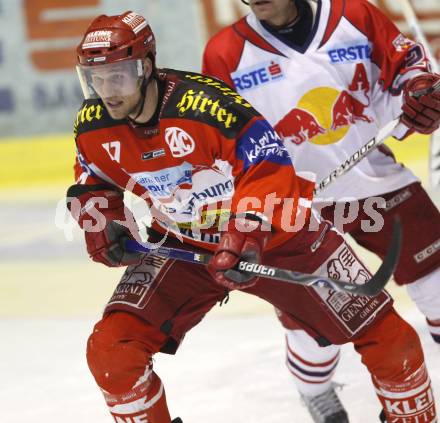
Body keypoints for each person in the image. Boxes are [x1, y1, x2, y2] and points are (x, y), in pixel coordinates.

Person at [67, 10, 437, 423]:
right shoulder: (94, 122)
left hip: (280, 239)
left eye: (117, 76)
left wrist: (247, 232)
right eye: (95, 78)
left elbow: (268, 164)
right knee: (111, 352)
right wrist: (100, 219)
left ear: (146, 66)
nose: (106, 91)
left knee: (392, 341)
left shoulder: (207, 108)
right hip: (181, 245)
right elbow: (91, 176)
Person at [202, 0, 440, 422]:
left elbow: (406, 68)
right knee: (315, 325)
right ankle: (315, 392)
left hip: (375, 181)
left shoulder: (355, 16)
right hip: (293, 206)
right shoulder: (224, 53)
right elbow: (220, 140)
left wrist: (422, 91)